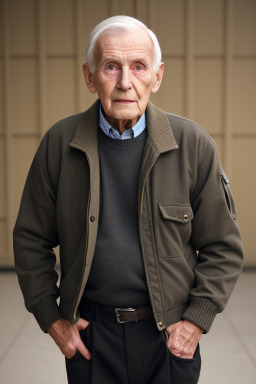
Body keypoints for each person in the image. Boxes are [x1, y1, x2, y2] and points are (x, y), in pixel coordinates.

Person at [13, 15, 244, 384]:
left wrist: (197, 319)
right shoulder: (59, 144)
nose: (125, 82)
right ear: (90, 77)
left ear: (158, 76)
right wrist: (52, 319)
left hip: (168, 335)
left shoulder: (193, 145)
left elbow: (223, 246)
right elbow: (30, 240)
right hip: (92, 336)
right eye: (110, 67)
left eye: (138, 67)